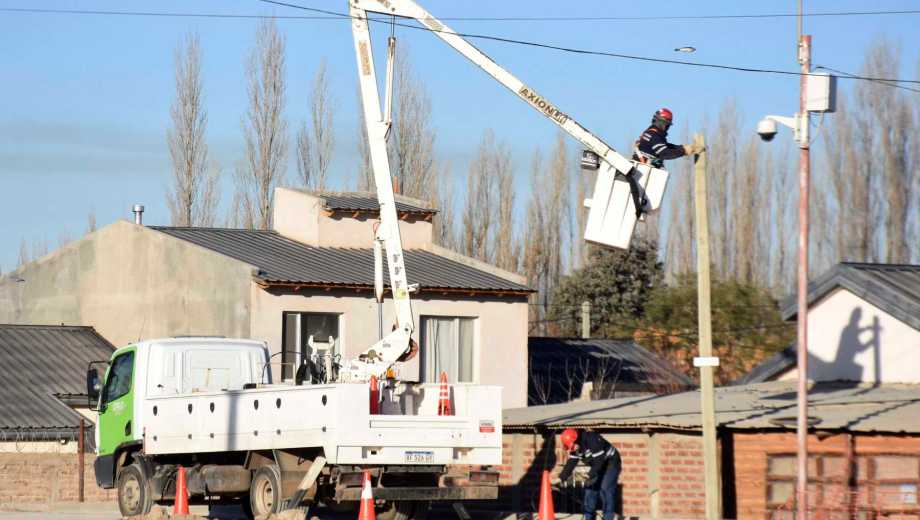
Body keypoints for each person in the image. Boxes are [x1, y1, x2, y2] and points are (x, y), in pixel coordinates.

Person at [627, 108, 704, 217]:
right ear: (662, 123)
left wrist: (684, 148)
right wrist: (684, 151)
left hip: (641, 172)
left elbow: (667, 146)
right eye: (667, 125)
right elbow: (665, 153)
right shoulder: (654, 136)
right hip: (643, 174)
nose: (667, 128)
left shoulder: (651, 133)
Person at [551, 428, 621, 520]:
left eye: (572, 446)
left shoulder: (592, 439)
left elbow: (599, 460)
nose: (572, 449)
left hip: (610, 463)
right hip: (597, 466)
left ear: (577, 439)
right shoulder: (575, 447)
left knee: (605, 489)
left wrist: (590, 474)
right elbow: (571, 463)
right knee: (589, 490)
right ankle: (589, 518)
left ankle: (608, 517)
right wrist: (560, 478)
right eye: (570, 448)